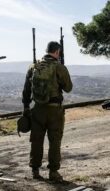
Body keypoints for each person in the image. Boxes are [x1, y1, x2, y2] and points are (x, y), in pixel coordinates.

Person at [22, 41, 73, 182]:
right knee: (55, 140)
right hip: (54, 110)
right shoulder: (59, 67)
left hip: (37, 109)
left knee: (36, 140)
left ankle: (35, 170)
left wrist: (26, 107)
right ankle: (53, 172)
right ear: (57, 52)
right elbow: (68, 88)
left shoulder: (33, 67)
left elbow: (26, 90)